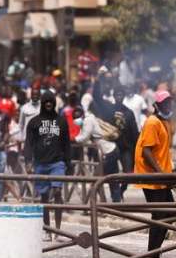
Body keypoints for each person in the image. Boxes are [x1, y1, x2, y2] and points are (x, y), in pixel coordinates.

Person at [134, 90, 176, 258]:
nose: (168, 106)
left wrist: (169, 170)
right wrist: (161, 173)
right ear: (156, 105)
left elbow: (161, 151)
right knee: (161, 215)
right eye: (164, 104)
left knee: (168, 214)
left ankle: (154, 256)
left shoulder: (163, 123)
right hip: (152, 177)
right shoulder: (152, 122)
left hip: (160, 176)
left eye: (170, 103)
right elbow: (146, 151)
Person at [25, 91, 72, 241]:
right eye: (46, 101)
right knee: (44, 197)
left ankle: (58, 230)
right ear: (43, 103)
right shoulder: (34, 122)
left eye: (51, 101)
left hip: (57, 163)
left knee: (57, 192)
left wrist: (69, 163)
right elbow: (28, 144)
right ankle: (47, 229)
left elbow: (67, 144)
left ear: (54, 103)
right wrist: (28, 161)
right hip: (40, 163)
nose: (48, 104)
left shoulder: (62, 121)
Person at [72, 106, 121, 203]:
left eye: (77, 117)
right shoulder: (87, 121)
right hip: (110, 150)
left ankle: (104, 205)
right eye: (74, 118)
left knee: (97, 180)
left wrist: (71, 139)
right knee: (111, 180)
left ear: (83, 115)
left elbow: (83, 138)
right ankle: (115, 204)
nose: (76, 120)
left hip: (108, 152)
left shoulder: (88, 121)